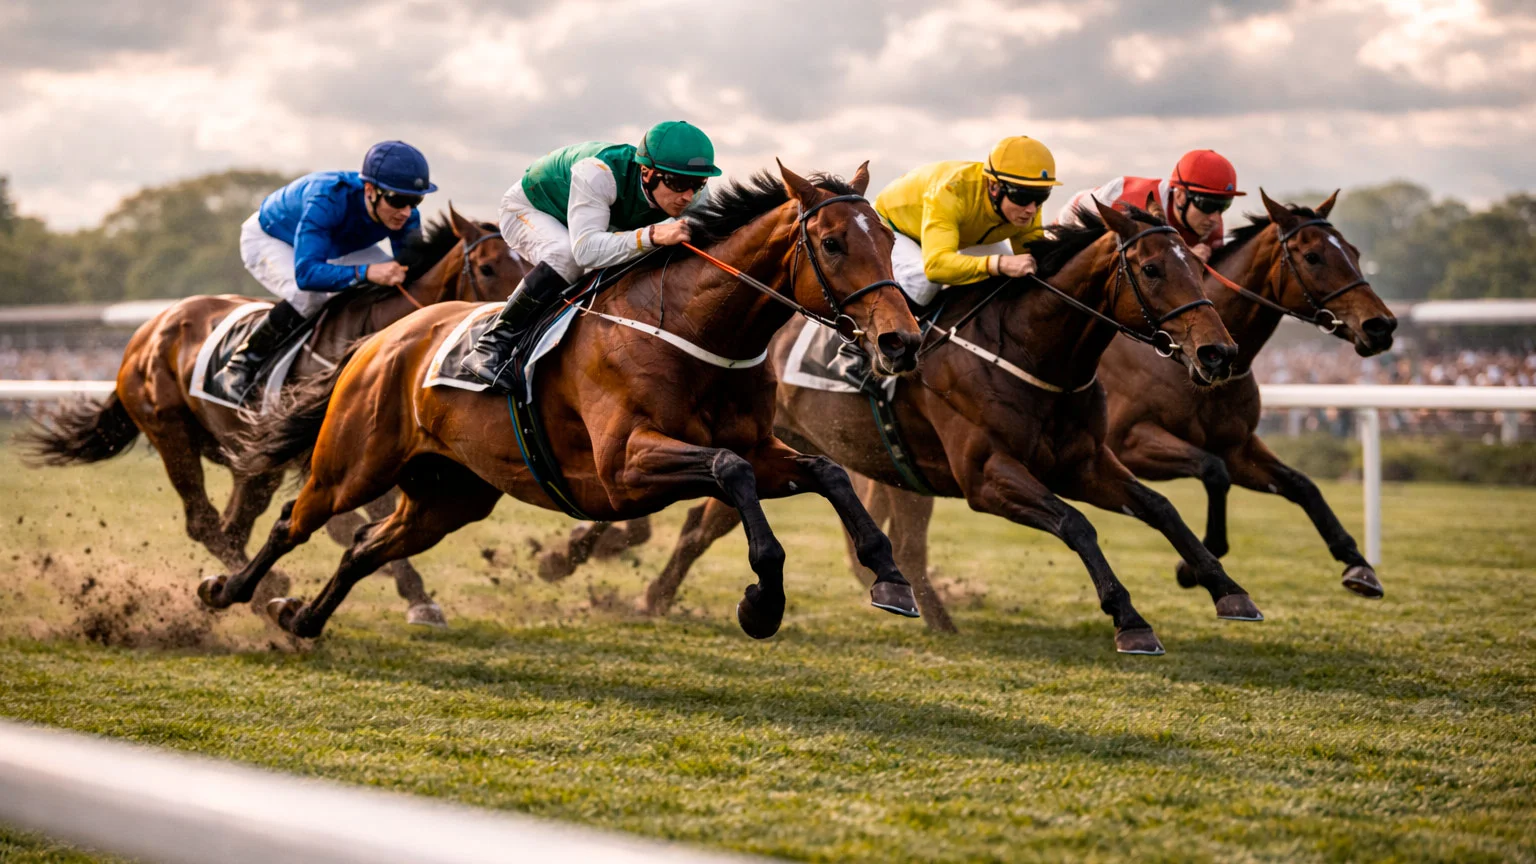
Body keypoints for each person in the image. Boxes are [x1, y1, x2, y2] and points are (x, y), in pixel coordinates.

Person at [463, 121, 721, 390]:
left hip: (593, 219)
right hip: (530, 209)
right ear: (646, 173)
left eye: (698, 184)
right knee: (567, 256)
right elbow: (585, 251)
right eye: (677, 183)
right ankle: (492, 342)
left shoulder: (696, 197)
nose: (688, 196)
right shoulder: (598, 173)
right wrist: (653, 235)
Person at [210, 141, 435, 399]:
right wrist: (365, 272)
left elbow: (414, 272)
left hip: (336, 245)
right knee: (309, 296)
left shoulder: (405, 215)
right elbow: (307, 275)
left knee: (396, 281)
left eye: (415, 201)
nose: (406, 212)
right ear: (370, 191)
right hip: (272, 239)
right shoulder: (326, 199)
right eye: (398, 200)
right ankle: (240, 365)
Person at [873, 135, 1061, 307]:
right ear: (994, 187)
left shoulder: (1029, 205)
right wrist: (998, 264)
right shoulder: (951, 191)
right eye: (1022, 196)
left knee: (1015, 275)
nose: (1031, 209)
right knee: (923, 282)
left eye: (1041, 196)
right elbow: (936, 267)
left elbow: (1033, 259)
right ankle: (887, 338)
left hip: (952, 235)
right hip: (892, 225)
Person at [1055, 149, 1245, 261]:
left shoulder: (1211, 228)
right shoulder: (1136, 204)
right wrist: (1185, 258)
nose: (1215, 218)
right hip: (1069, 232)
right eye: (1207, 205)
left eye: (1224, 206)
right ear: (1179, 197)